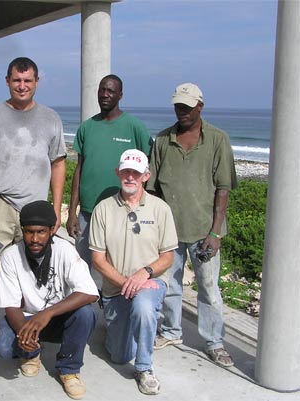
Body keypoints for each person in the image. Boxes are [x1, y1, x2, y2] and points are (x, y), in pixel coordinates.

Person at [0, 57, 67, 373]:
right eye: (17, 80)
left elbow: (58, 163)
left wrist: (56, 207)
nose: (22, 86)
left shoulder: (50, 118)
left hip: (35, 210)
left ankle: (28, 344)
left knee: (30, 275)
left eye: (28, 81)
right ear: (7, 81)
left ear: (37, 82)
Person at [146, 83, 237, 368]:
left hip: (204, 232)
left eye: (187, 106)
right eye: (178, 106)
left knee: (208, 289)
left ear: (200, 106)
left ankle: (214, 341)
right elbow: (153, 189)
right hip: (169, 234)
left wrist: (214, 232)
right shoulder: (163, 140)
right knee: (169, 284)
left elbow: (223, 188)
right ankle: (172, 331)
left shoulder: (217, 139)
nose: (182, 111)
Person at [89, 149, 178, 395]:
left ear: (146, 176)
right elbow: (97, 259)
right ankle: (123, 330)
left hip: (150, 283)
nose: (131, 177)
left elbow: (168, 256)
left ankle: (144, 368)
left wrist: (145, 273)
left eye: (136, 173)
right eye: (126, 171)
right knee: (119, 355)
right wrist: (127, 282)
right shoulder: (103, 209)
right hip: (116, 288)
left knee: (144, 307)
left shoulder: (161, 209)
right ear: (118, 172)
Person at [0, 200, 98, 400]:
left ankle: (69, 369)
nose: (34, 239)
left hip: (58, 317)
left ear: (51, 230)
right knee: (5, 347)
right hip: (27, 319)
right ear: (22, 230)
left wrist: (47, 313)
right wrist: (25, 335)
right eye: (28, 232)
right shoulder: (10, 256)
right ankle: (31, 354)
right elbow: (11, 305)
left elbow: (90, 292)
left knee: (86, 314)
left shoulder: (65, 249)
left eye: (41, 232)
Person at [66, 74, 153, 269]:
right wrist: (73, 211)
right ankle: (89, 301)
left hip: (121, 212)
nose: (105, 94)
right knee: (84, 270)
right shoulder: (86, 127)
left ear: (120, 95)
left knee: (119, 268)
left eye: (111, 91)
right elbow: (79, 170)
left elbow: (148, 167)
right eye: (102, 90)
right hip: (87, 214)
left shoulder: (134, 127)